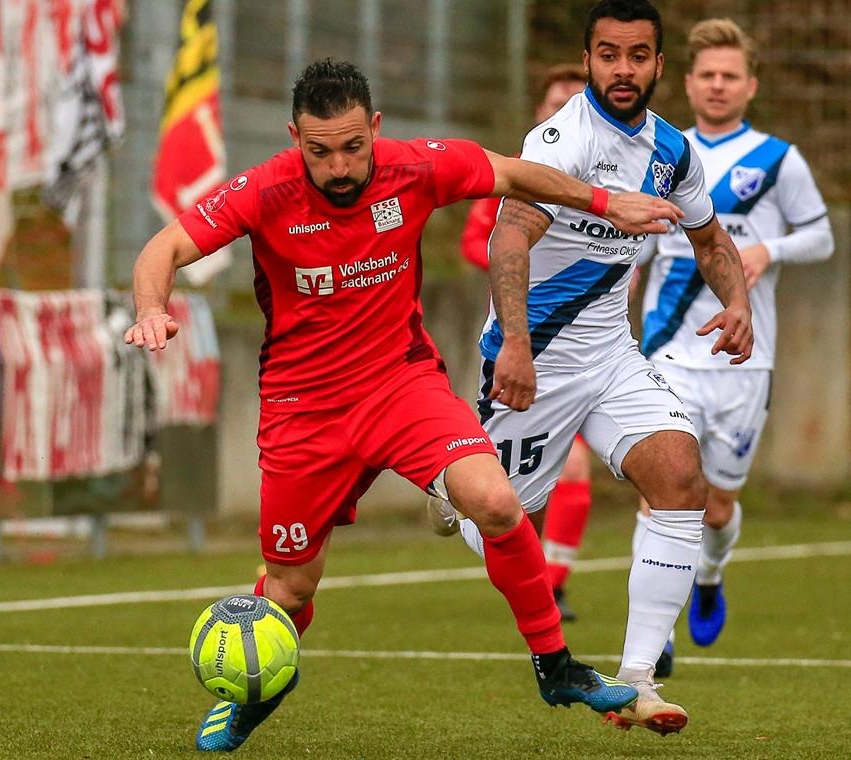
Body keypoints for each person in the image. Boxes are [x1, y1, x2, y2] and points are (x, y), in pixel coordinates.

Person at [125, 58, 680, 753]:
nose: (338, 166)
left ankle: (556, 666)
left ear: (375, 129)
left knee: (499, 503)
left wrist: (606, 201)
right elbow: (166, 245)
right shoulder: (264, 191)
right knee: (292, 591)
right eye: (320, 150)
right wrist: (152, 308)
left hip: (400, 385)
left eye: (354, 146)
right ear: (295, 136)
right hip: (305, 412)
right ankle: (258, 689)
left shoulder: (414, 168)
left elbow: (511, 171)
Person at [434, 0, 754, 735]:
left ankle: (639, 678)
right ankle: (453, 484)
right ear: (588, 60)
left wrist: (737, 304)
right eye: (608, 54)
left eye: (637, 55)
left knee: (681, 477)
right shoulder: (561, 140)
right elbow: (508, 241)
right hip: (532, 363)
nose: (622, 69)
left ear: (658, 65)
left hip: (611, 358)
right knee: (508, 526)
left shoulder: (672, 150)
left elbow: (709, 240)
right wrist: (515, 345)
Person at [636, 18, 834, 674]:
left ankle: (711, 574)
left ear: (750, 84)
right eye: (707, 75)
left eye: (730, 76)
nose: (718, 85)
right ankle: (654, 633)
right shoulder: (659, 152)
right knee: (664, 487)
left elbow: (822, 236)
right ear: (687, 82)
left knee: (716, 506)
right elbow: (633, 242)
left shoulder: (780, 160)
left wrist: (766, 248)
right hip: (667, 349)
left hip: (745, 359)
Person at [431, 64, 593, 624]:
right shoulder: (517, 179)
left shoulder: (616, 181)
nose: (565, 109)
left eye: (576, 99)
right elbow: (479, 241)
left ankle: (554, 584)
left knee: (573, 471)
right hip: (521, 343)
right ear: (539, 114)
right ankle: (453, 482)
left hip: (593, 353)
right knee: (512, 488)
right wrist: (521, 267)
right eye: (555, 102)